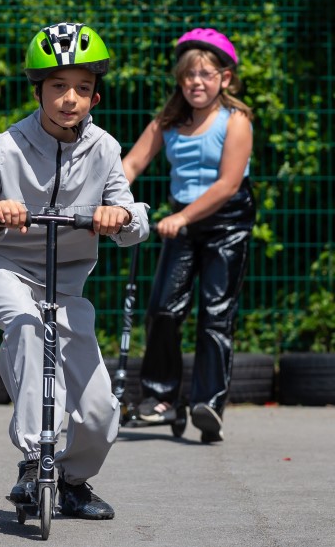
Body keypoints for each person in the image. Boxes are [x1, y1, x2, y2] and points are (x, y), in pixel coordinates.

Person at [0, 22, 149, 520]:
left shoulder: (103, 149)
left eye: (82, 89)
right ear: (37, 90)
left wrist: (119, 217)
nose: (69, 99)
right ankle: (34, 457)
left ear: (96, 97)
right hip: (0, 263)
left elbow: (137, 220)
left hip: (64, 278)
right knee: (28, 327)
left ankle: (74, 481)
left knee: (101, 408)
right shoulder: (7, 146)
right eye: (58, 86)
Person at [121, 28, 256, 444]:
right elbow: (131, 165)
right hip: (180, 222)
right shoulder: (168, 122)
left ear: (225, 79)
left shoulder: (236, 121)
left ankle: (208, 404)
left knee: (216, 313)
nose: (197, 83)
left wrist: (182, 217)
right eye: (189, 76)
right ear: (181, 81)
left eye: (206, 75)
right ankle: (161, 399)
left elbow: (228, 185)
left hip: (226, 222)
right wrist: (109, 202)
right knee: (163, 308)